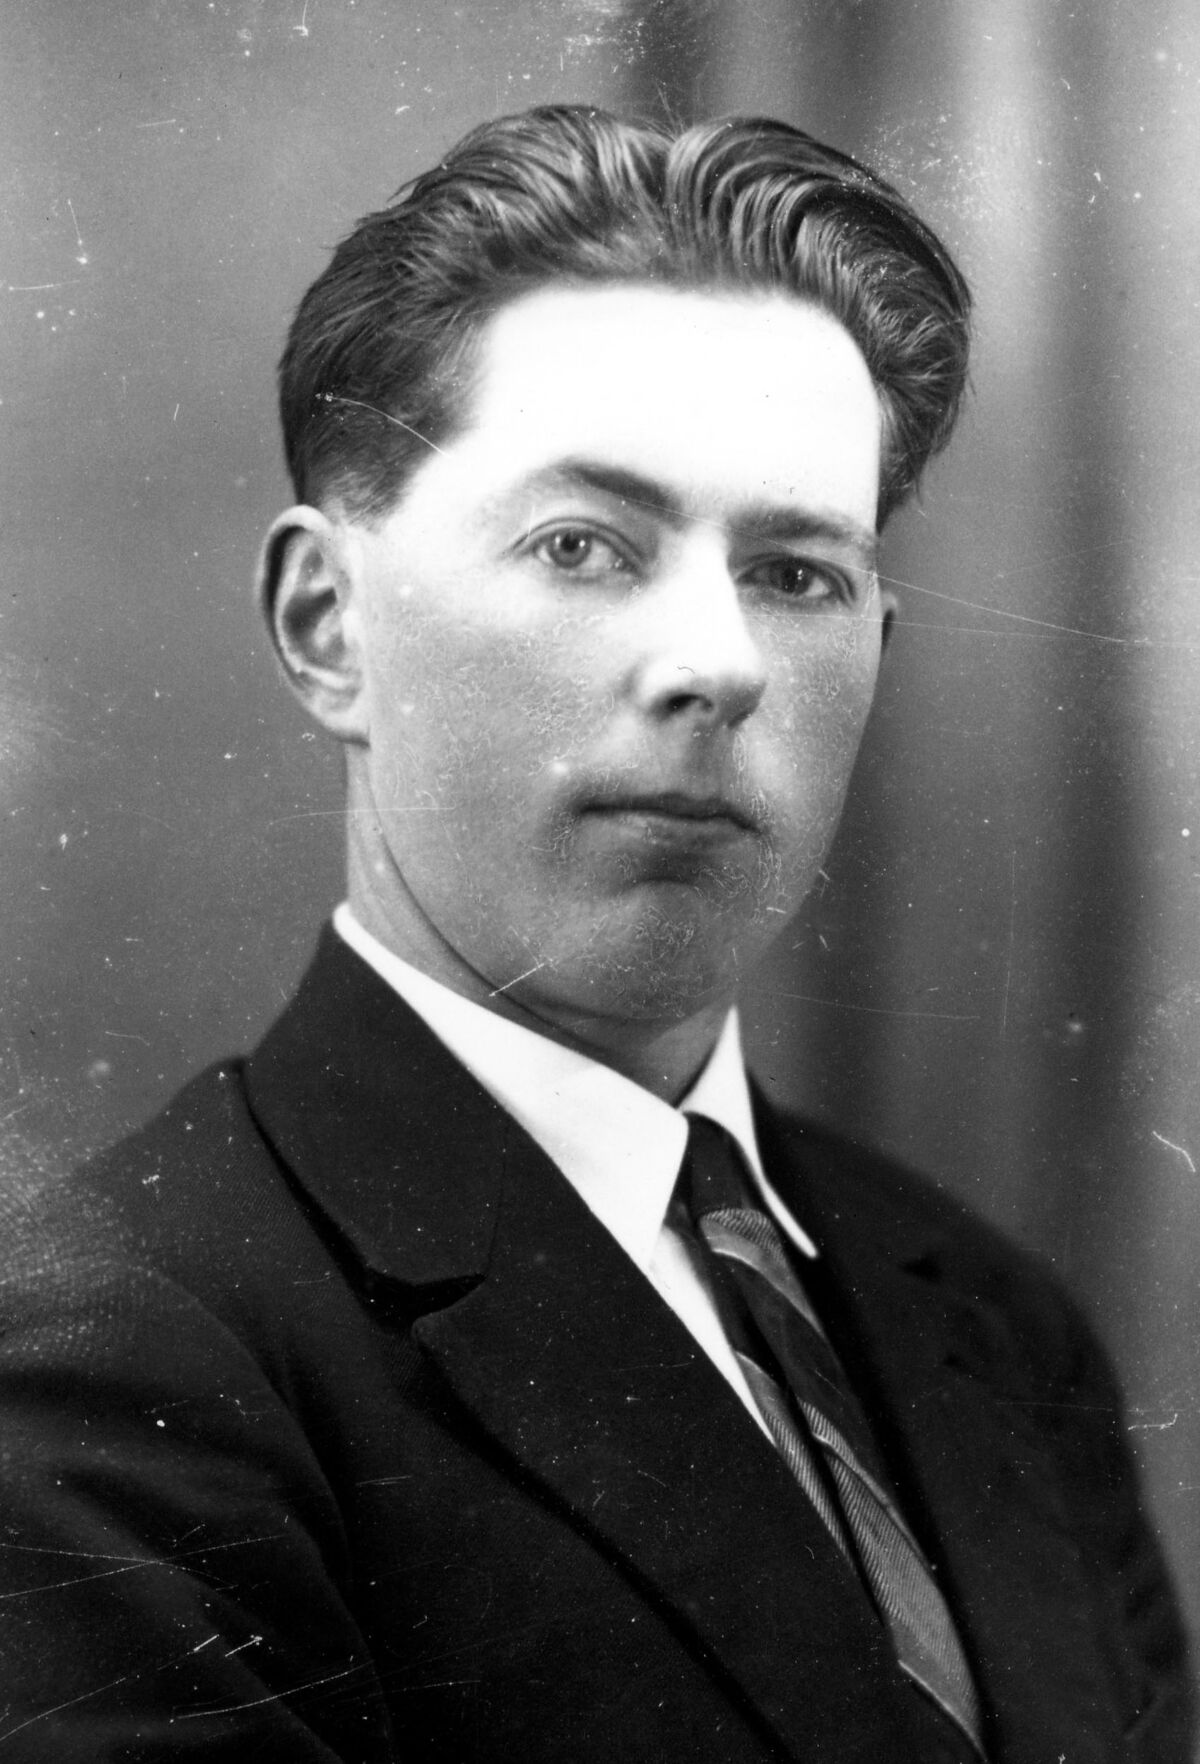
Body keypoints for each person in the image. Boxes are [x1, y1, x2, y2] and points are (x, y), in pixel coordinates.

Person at [0, 106, 1191, 1762]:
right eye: (582, 546)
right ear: (327, 625)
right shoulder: (112, 1371)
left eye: (797, 573)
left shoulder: (995, 1323)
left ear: (880, 645)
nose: (719, 663)